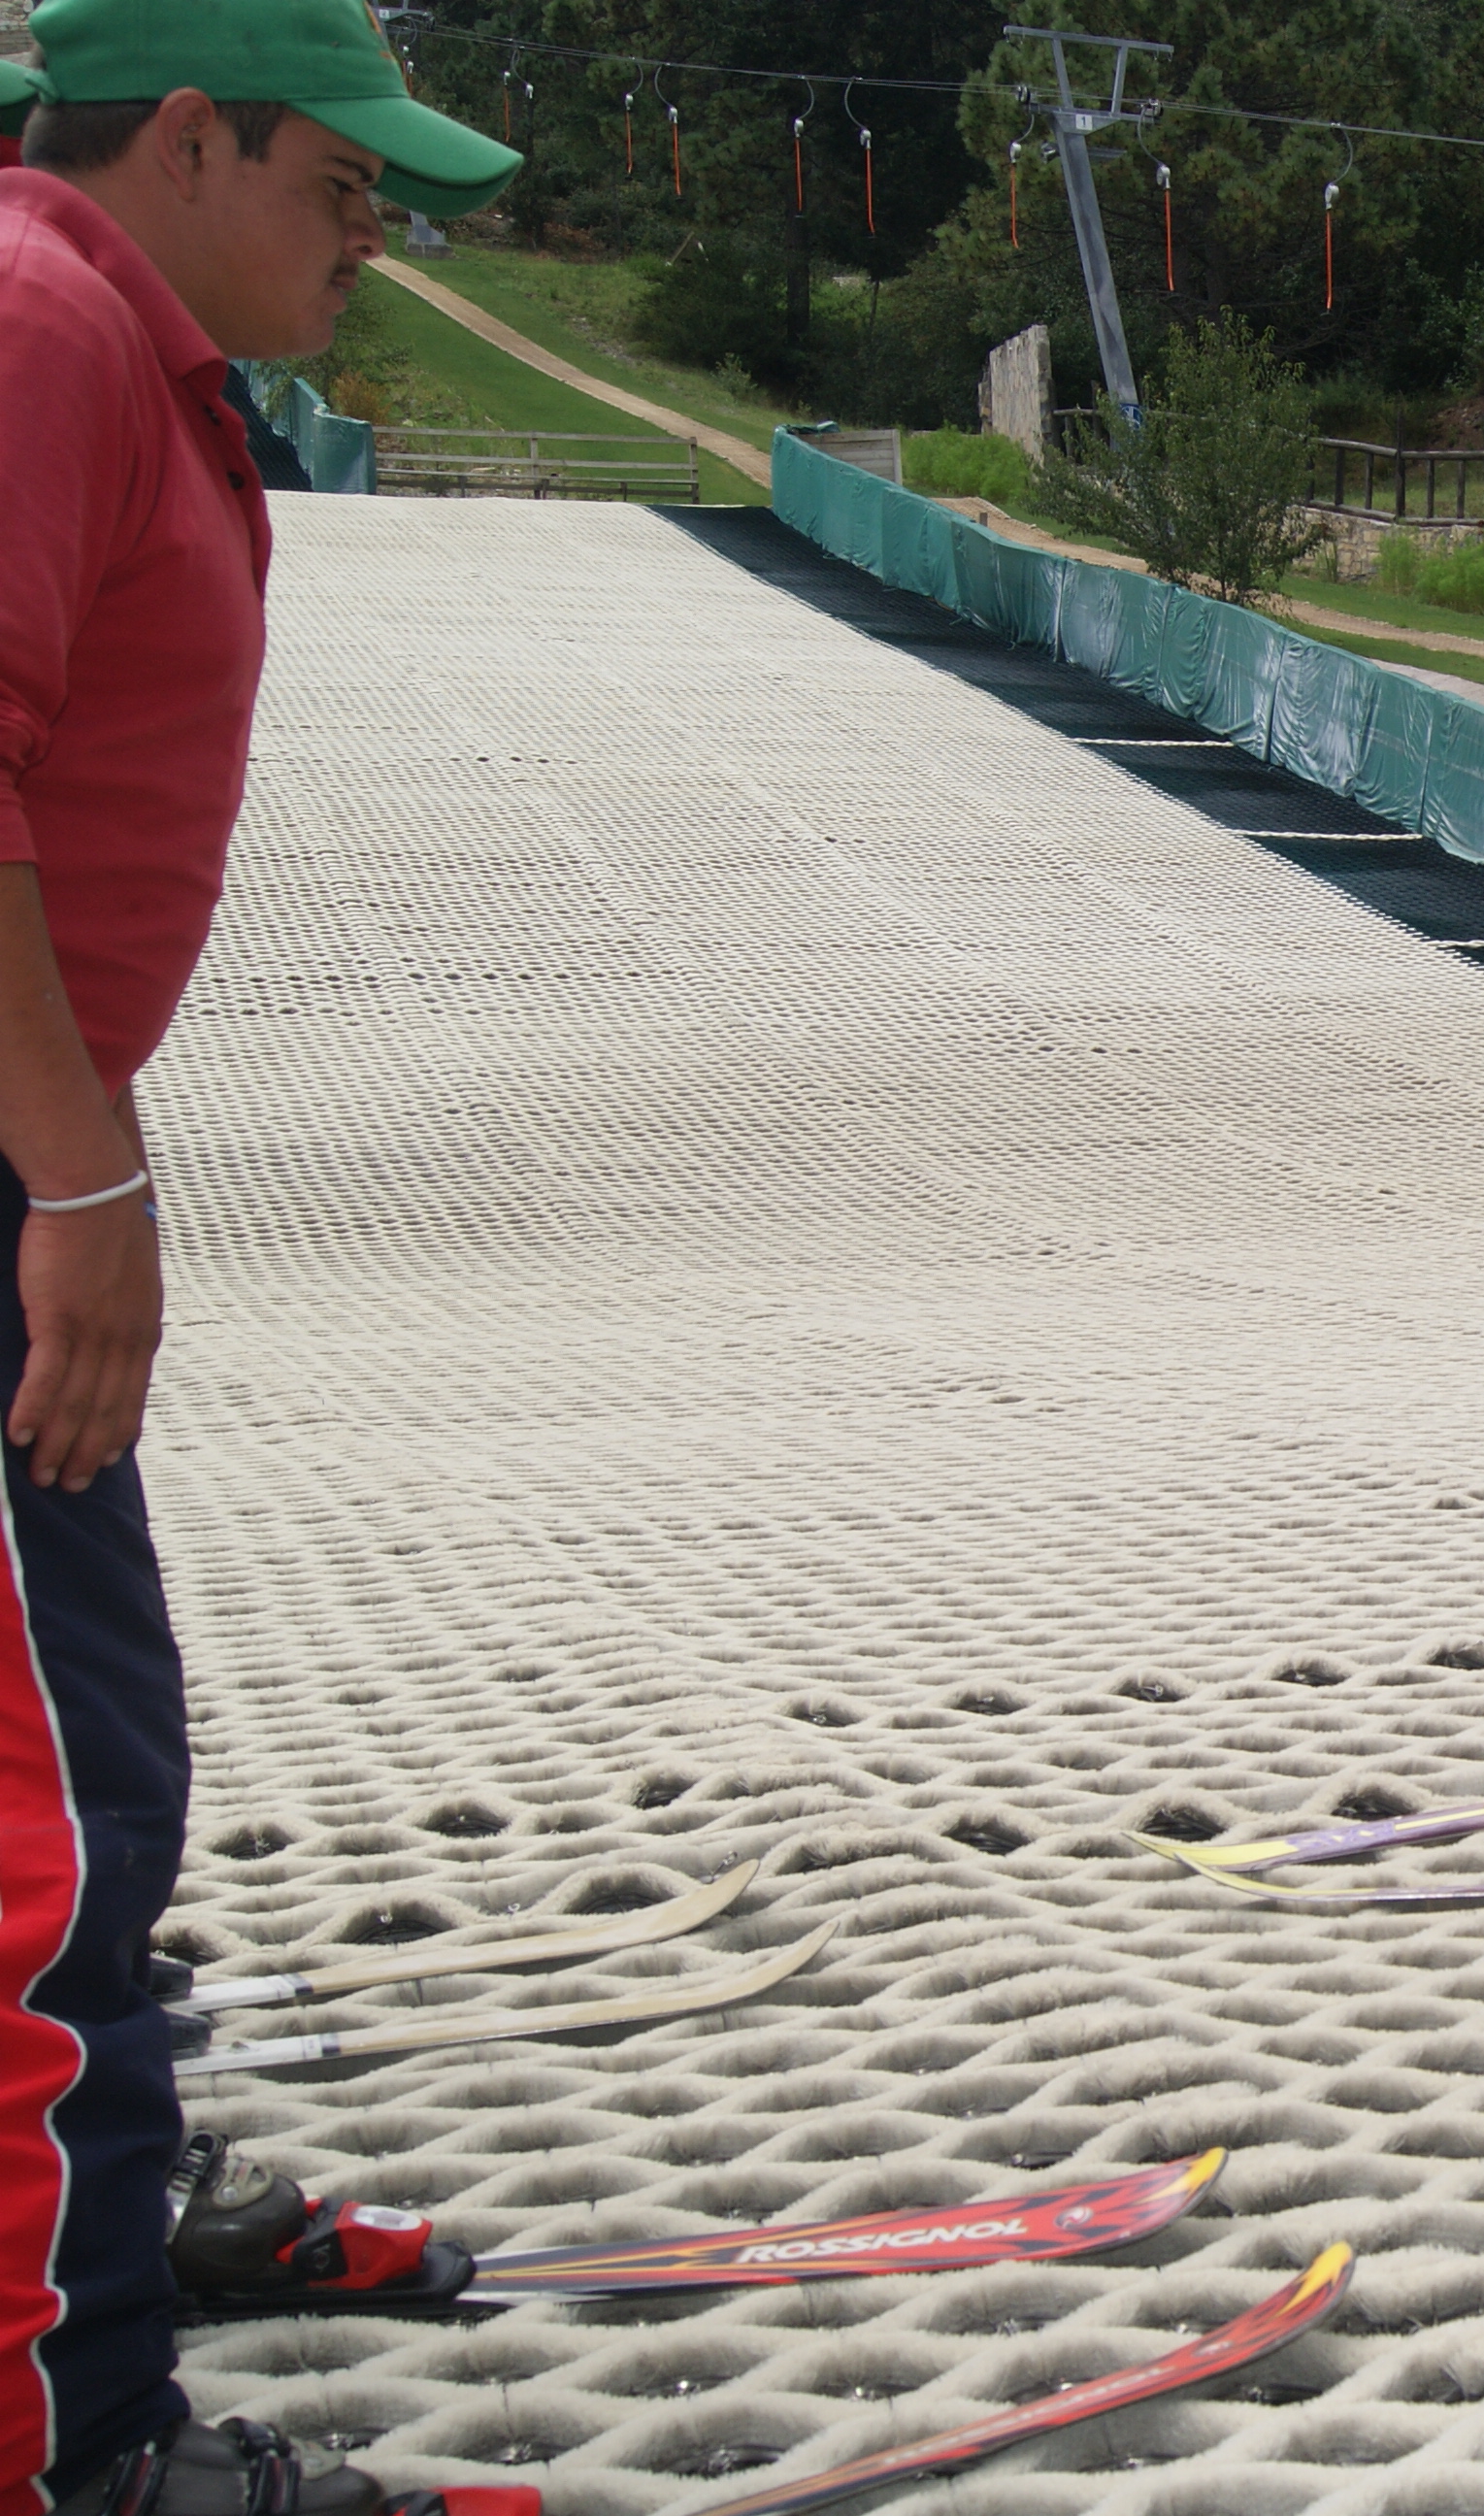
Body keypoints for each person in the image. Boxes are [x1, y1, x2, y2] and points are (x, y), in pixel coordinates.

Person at [0, 5, 521, 2510]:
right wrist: (77, 1184)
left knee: (85, 1782)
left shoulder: (114, 336)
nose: (372, 232)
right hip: (4, 1176)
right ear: (184, 134)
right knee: (53, 1824)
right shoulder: (38, 314)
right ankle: (77, 2440)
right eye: (339, 181)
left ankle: (94, 2233)